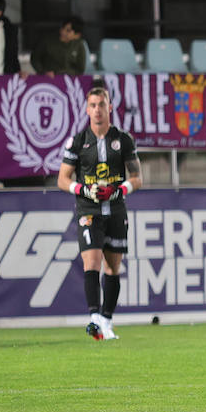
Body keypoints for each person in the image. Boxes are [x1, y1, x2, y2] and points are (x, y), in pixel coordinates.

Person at [56, 87, 141, 341]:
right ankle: (94, 318)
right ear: (86, 109)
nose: (97, 110)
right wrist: (82, 189)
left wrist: (118, 190)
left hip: (115, 209)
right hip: (89, 209)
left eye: (101, 104)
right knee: (91, 262)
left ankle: (106, 320)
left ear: (110, 107)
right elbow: (62, 178)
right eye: (92, 105)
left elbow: (137, 178)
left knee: (113, 268)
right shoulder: (78, 141)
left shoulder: (123, 140)